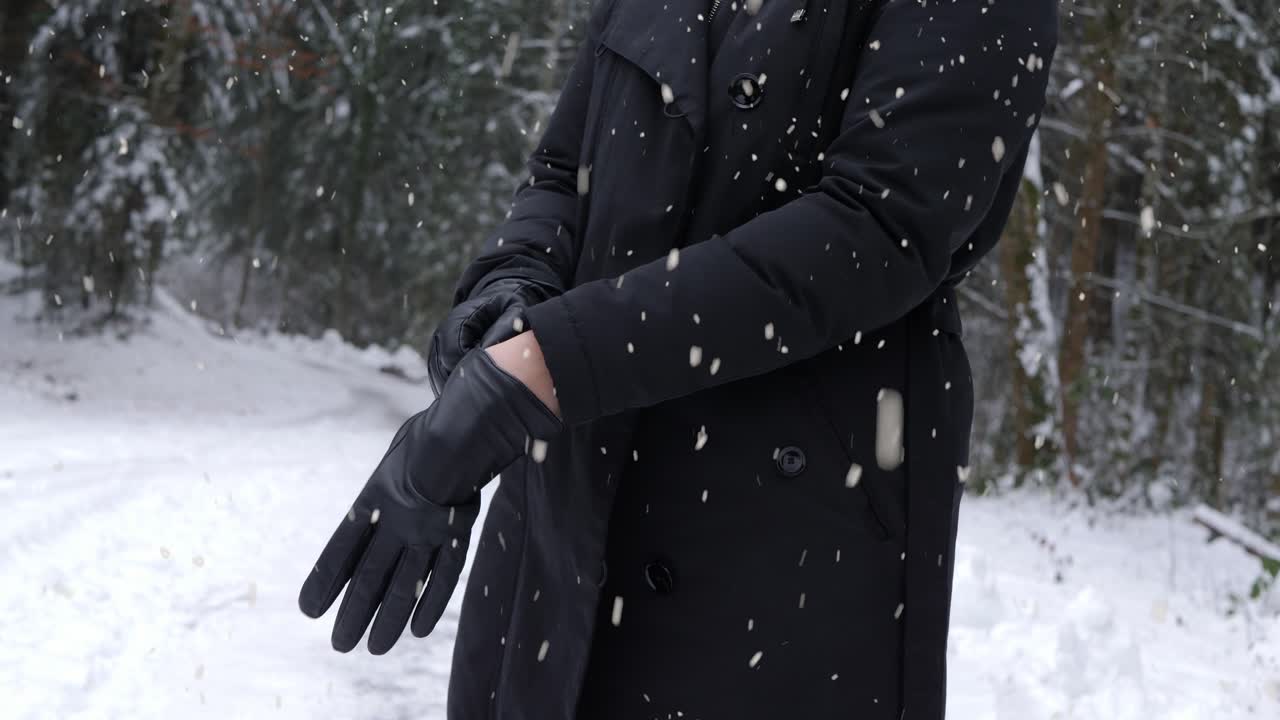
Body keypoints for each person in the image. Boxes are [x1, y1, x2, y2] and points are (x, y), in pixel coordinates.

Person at [298, 1, 1058, 718]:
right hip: (560, 519)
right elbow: (565, 169)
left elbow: (880, 226)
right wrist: (511, 290)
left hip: (787, 550)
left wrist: (544, 368)